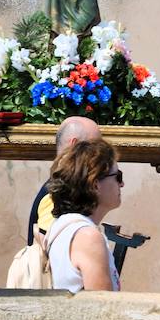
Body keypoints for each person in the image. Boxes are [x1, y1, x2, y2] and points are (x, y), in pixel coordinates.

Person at [45, 137, 123, 292]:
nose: (122, 184)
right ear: (95, 185)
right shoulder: (88, 237)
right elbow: (103, 309)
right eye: (117, 177)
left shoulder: (63, 225)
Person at [27, 115, 103, 244]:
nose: (99, 154)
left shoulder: (67, 188)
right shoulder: (55, 194)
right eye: (94, 146)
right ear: (75, 144)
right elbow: (49, 247)